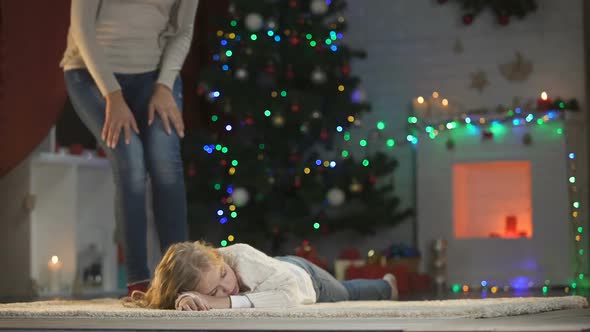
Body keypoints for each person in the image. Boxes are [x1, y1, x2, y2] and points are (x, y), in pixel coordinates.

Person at [60, 0, 199, 295]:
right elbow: (81, 28)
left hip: (156, 77)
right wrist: (113, 95)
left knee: (165, 165)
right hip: (90, 74)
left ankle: (182, 280)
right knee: (131, 164)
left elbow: (182, 31)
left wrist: (164, 86)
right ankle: (139, 281)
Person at [128, 241, 398, 310]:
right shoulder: (196, 280)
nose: (228, 287)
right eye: (214, 292)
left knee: (346, 292)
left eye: (224, 274)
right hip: (274, 269)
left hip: (305, 278)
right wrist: (187, 301)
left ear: (219, 257)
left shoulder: (241, 256)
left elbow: (289, 296)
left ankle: (386, 286)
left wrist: (220, 303)